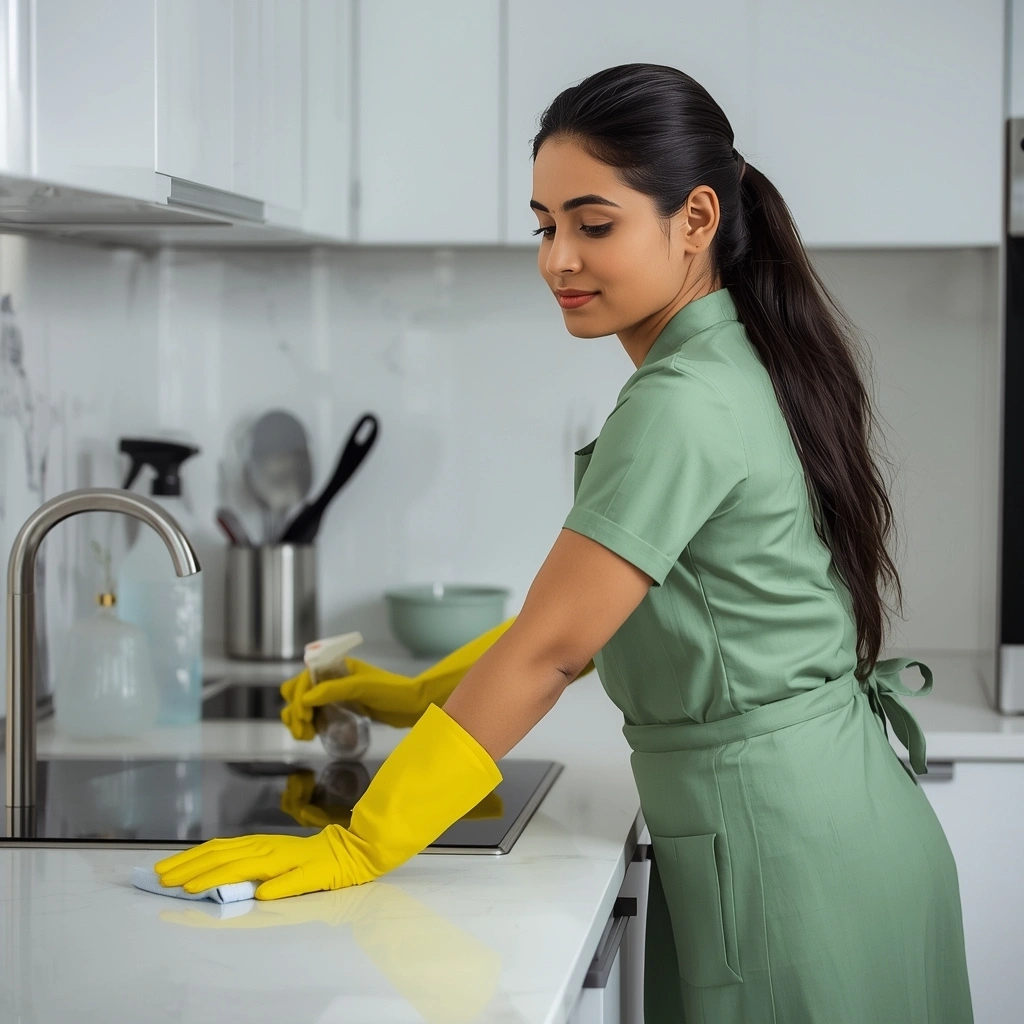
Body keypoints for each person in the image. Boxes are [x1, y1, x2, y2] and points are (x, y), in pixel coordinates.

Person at [156, 63, 973, 1023]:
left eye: (594, 224)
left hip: (786, 855)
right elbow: (604, 615)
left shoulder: (681, 402)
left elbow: (552, 651)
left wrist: (362, 842)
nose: (557, 259)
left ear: (696, 221)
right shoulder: (728, 360)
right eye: (545, 226)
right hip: (829, 830)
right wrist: (407, 695)